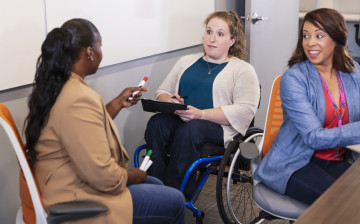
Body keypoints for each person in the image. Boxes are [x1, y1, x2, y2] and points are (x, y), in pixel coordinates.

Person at [24, 18, 185, 224]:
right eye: (100, 45)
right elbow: (104, 177)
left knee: (155, 183)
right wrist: (134, 175)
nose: (101, 51)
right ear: (89, 52)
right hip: (79, 198)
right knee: (175, 201)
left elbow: (82, 132)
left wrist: (118, 102)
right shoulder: (78, 98)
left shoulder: (58, 85)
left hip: (68, 181)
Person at [144, 11, 260, 198]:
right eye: (209, 31)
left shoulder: (243, 70)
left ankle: (175, 194)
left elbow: (245, 110)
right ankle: (155, 188)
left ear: (232, 40)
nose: (212, 39)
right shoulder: (186, 61)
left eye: (220, 34)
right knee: (156, 123)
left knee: (191, 129)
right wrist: (171, 101)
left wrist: (201, 114)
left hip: (219, 128)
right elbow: (162, 92)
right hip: (182, 119)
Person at [254, 8, 360, 205]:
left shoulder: (353, 72)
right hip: (295, 163)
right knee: (343, 203)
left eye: (319, 35)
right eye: (306, 35)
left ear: (337, 39)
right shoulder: (294, 78)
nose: (310, 42)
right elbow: (314, 137)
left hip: (340, 160)